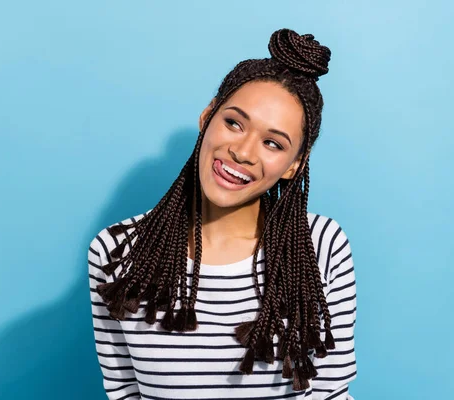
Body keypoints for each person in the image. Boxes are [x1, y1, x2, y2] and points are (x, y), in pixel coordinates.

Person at [88, 28, 357, 400]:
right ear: (206, 116)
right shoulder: (116, 250)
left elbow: (330, 393)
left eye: (272, 143)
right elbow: (124, 393)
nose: (243, 152)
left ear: (295, 164)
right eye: (234, 122)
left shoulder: (321, 246)